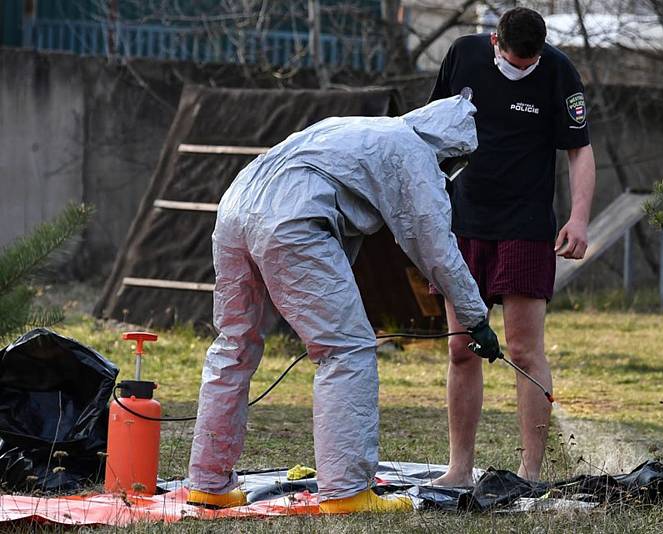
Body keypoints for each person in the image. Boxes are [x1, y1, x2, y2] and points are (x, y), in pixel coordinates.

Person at [185, 94, 502, 513]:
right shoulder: (414, 152)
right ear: (448, 148)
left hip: (235, 211)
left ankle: (207, 482)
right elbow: (438, 248)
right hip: (290, 222)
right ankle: (347, 491)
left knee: (234, 345)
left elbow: (345, 227)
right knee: (346, 349)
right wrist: (476, 318)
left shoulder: (359, 130)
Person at [429, 7, 596, 486]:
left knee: (523, 350)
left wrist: (579, 218)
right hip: (465, 222)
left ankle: (530, 471)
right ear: (494, 42)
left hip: (525, 227)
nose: (522, 69)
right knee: (461, 348)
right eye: (514, 61)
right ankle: (459, 468)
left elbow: (580, 149)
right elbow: (427, 130)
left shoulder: (558, 70)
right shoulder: (463, 55)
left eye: (531, 63)